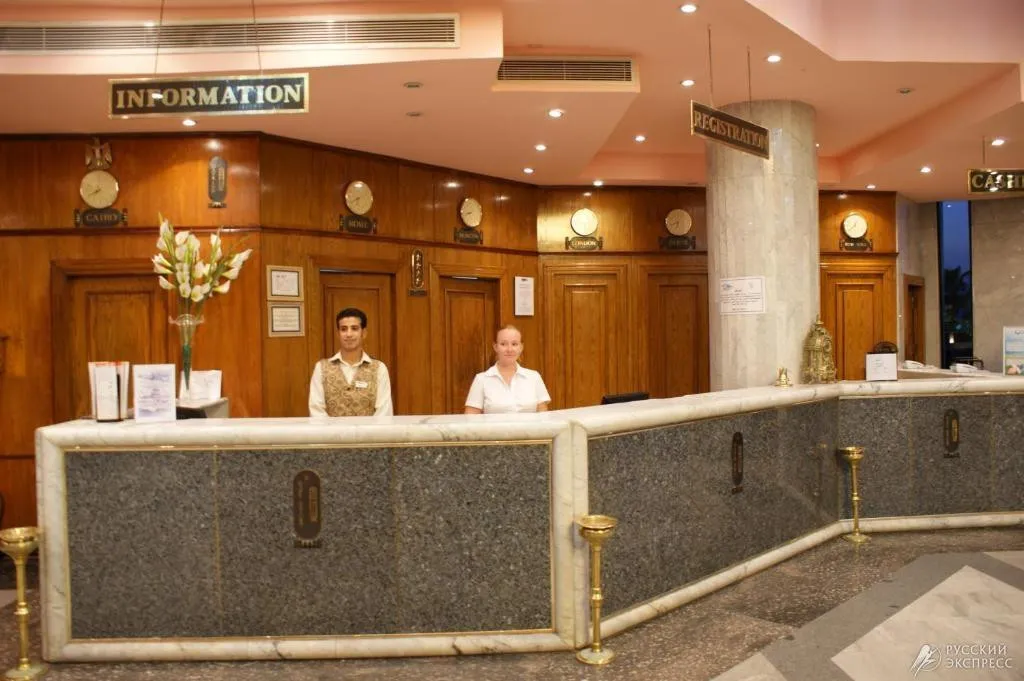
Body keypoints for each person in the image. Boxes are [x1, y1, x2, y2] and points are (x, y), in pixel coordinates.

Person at [309, 307, 393, 417]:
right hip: (330, 429)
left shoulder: (379, 368)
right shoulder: (321, 368)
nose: (349, 334)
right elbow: (316, 410)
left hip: (370, 429)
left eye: (354, 328)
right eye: (343, 329)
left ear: (363, 333)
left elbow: (384, 412)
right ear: (338, 333)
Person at [464, 325, 550, 414]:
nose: (509, 349)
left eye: (514, 344)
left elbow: (543, 416)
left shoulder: (534, 377)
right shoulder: (481, 379)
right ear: (495, 347)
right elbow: (471, 419)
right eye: (503, 344)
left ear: (521, 347)